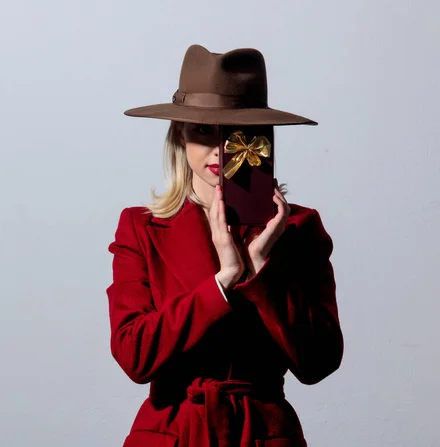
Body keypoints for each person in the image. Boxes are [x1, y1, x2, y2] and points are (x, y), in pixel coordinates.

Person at [106, 44, 343, 447]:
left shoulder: (299, 227)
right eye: (202, 130)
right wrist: (222, 281)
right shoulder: (142, 226)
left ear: (262, 138)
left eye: (237, 133)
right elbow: (135, 355)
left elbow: (319, 362)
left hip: (264, 434)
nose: (219, 148)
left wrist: (260, 269)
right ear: (179, 135)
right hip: (173, 432)